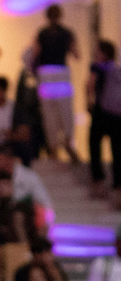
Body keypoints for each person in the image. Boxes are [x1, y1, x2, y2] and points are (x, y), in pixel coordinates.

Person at [32, 4, 80, 164]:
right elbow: (76, 54)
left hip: (46, 75)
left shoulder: (42, 33)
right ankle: (67, 141)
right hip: (61, 74)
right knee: (65, 112)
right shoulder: (67, 33)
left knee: (49, 114)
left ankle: (53, 148)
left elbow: (35, 54)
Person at [88, 40, 121, 202]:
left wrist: (89, 101)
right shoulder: (116, 69)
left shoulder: (98, 67)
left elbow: (90, 84)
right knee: (117, 150)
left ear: (104, 53)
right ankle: (118, 187)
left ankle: (99, 182)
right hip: (117, 115)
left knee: (95, 145)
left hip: (101, 112)